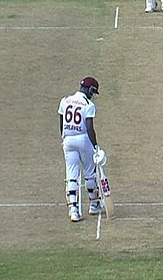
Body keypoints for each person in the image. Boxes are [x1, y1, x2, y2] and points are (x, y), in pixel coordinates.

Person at [58, 77, 103, 222]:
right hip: (83, 139)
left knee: (72, 175)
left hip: (68, 139)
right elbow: (90, 128)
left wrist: (64, 138)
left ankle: (73, 210)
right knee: (90, 173)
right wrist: (95, 146)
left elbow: (61, 121)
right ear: (90, 90)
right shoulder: (88, 105)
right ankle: (94, 204)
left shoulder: (65, 100)